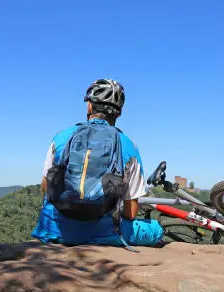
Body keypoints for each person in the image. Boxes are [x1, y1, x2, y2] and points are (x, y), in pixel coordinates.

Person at [32, 79, 164, 249]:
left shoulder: (61, 137)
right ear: (120, 112)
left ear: (89, 107)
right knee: (155, 229)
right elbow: (131, 212)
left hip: (54, 229)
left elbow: (45, 188)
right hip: (105, 232)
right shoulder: (129, 146)